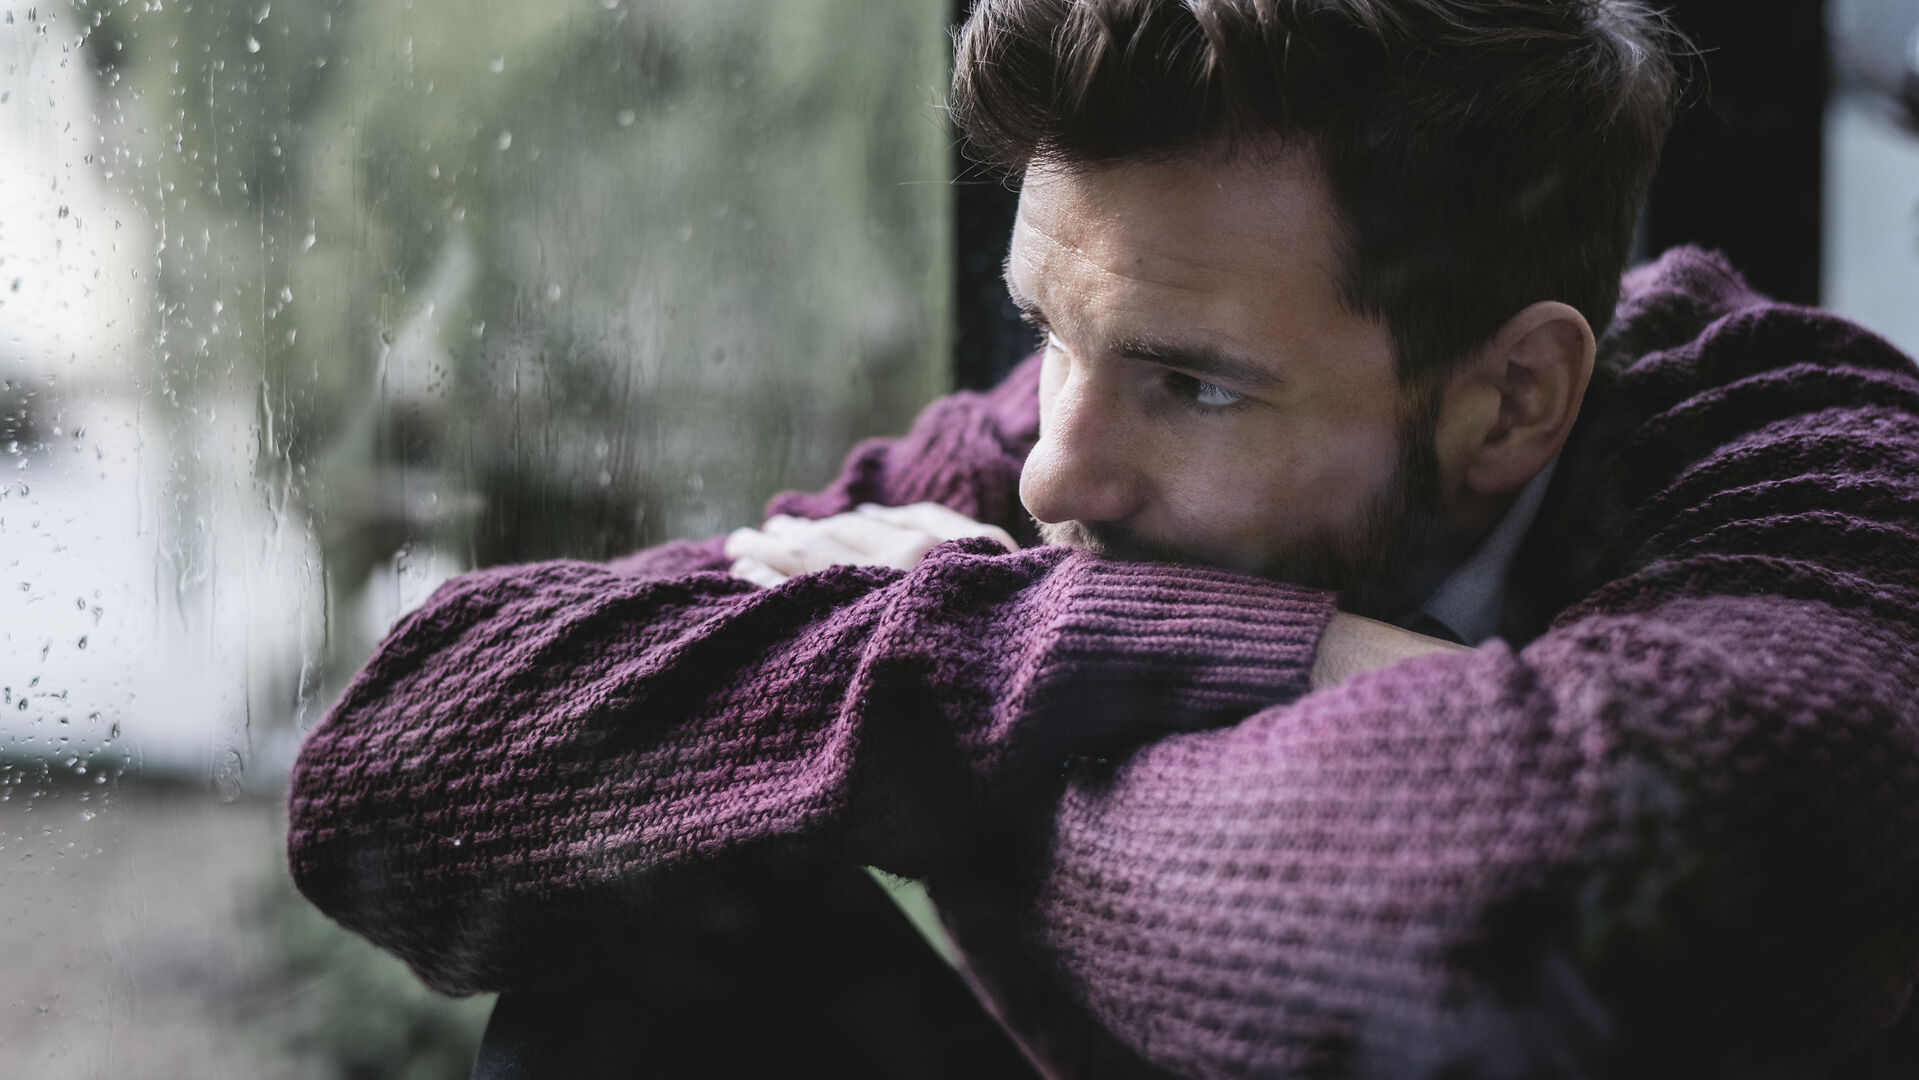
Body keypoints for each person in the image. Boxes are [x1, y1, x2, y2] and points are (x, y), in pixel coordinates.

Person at [287, 1, 1919, 1076]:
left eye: (1193, 385)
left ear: (1512, 400)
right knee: (643, 974)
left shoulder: (1820, 478)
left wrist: (931, 722)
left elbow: (1495, 935)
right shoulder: (1041, 453)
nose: (1060, 477)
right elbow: (397, 779)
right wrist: (1039, 640)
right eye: (1047, 331)